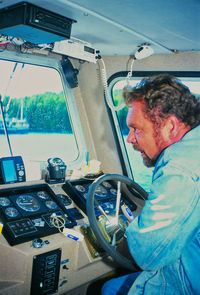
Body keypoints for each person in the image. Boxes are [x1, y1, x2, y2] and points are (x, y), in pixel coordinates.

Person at [101, 73, 200, 295]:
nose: (130, 138)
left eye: (136, 128)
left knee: (109, 289)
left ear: (171, 126)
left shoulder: (179, 170)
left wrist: (111, 239)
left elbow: (147, 252)